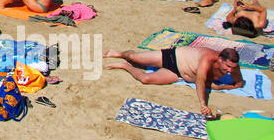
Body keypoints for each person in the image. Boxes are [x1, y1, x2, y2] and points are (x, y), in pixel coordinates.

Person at [104, 46, 242, 115]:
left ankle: (125, 66)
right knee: (135, 58)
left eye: (232, 67)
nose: (230, 70)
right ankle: (121, 54)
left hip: (179, 74)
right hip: (173, 57)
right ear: (219, 59)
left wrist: (226, 87)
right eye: (227, 66)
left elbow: (239, 83)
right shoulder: (207, 59)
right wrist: (203, 104)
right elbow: (200, 81)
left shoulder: (233, 67)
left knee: (145, 79)